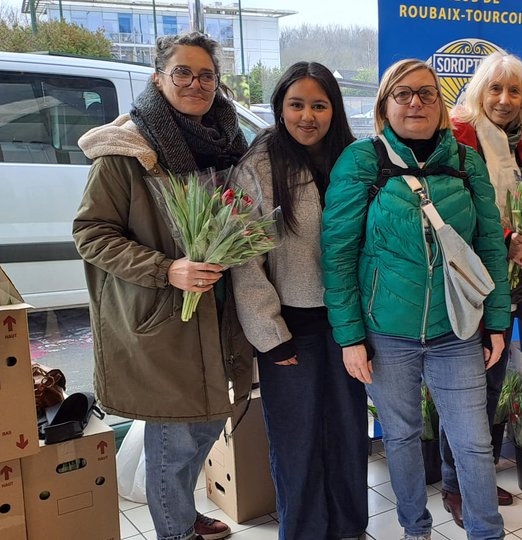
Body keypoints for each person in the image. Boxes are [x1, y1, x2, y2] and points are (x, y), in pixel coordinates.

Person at [321, 58, 510, 540]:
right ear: (385, 106)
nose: (415, 103)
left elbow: (490, 245)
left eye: (426, 93)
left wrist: (496, 322)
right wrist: (350, 337)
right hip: (386, 332)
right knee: (402, 438)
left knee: (473, 442)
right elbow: (338, 253)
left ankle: (486, 532)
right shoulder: (362, 161)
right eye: (402, 94)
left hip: (456, 330)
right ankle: (415, 529)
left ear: (440, 105)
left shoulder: (465, 162)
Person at [73, 32, 250, 540]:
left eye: (206, 75)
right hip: (163, 314)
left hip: (218, 311)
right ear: (157, 78)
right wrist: (166, 269)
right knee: (174, 437)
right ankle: (174, 531)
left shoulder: (227, 143)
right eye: (183, 73)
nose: (196, 84)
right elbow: (91, 233)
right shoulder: (128, 151)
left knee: (209, 419)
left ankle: (183, 515)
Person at [230, 62, 367, 540]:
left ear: (335, 109)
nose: (307, 116)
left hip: (350, 326)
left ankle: (349, 528)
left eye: (319, 105)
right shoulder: (260, 167)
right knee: (296, 442)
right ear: (280, 107)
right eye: (296, 104)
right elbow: (244, 259)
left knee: (348, 433)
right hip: (290, 328)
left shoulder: (356, 159)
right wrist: (269, 335)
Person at [439, 50, 522, 526]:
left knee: (491, 384)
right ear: (479, 92)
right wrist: (508, 239)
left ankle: (478, 473)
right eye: (495, 88)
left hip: (512, 287)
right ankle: (455, 484)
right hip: (468, 283)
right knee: (463, 390)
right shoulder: (458, 138)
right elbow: (453, 212)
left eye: (515, 91)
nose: (505, 100)